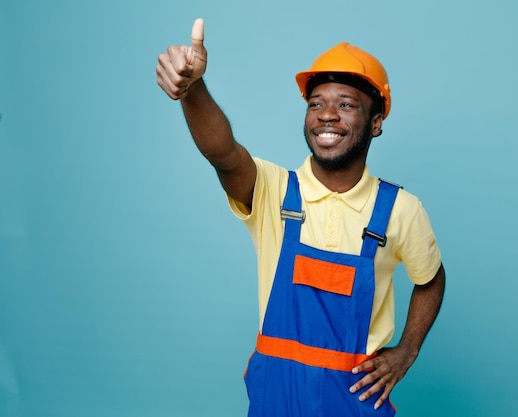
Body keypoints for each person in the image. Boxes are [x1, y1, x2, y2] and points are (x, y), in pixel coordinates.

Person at [156, 18, 446, 417]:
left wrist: (407, 351)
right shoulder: (274, 192)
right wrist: (192, 89)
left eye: (346, 104)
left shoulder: (400, 210)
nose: (327, 114)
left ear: (376, 122)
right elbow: (223, 154)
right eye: (316, 103)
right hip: (277, 399)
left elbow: (431, 278)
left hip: (355, 402)